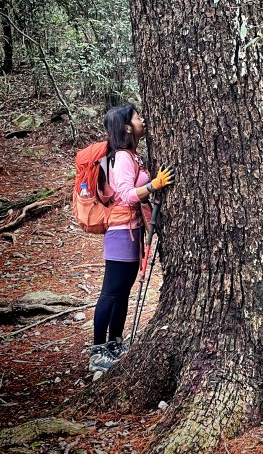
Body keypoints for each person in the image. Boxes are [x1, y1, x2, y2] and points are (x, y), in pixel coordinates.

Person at [89, 103, 174, 373]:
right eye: (138, 117)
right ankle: (97, 350)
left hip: (131, 230)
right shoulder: (123, 157)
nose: (143, 119)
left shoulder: (132, 155)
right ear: (127, 127)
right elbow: (125, 194)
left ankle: (115, 343)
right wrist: (154, 185)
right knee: (111, 292)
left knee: (122, 292)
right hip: (120, 231)